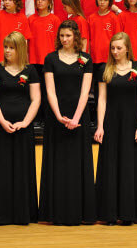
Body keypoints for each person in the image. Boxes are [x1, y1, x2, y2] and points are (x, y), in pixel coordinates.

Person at [39, 20, 96, 225]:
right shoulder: (51, 59)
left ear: (76, 37)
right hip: (57, 117)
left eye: (68, 36)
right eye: (62, 36)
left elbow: (85, 91)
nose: (64, 39)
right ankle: (55, 211)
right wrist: (58, 115)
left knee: (77, 162)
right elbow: (50, 90)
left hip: (78, 116)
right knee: (58, 161)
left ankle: (80, 211)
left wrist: (76, 118)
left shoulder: (85, 59)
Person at [0, 32, 41, 225]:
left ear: (20, 49)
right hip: (1, 127)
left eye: (11, 47)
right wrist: (2, 121)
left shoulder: (31, 71)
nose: (7, 51)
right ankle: (1, 214)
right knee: (1, 168)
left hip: (23, 128)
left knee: (22, 169)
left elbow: (36, 99)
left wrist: (25, 122)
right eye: (6, 47)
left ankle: (23, 213)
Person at [94, 32, 137, 226]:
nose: (115, 52)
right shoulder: (104, 70)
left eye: (119, 48)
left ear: (127, 49)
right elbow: (102, 99)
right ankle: (109, 213)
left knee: (129, 164)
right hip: (110, 122)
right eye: (113, 48)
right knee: (109, 164)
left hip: (130, 122)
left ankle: (128, 213)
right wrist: (99, 126)